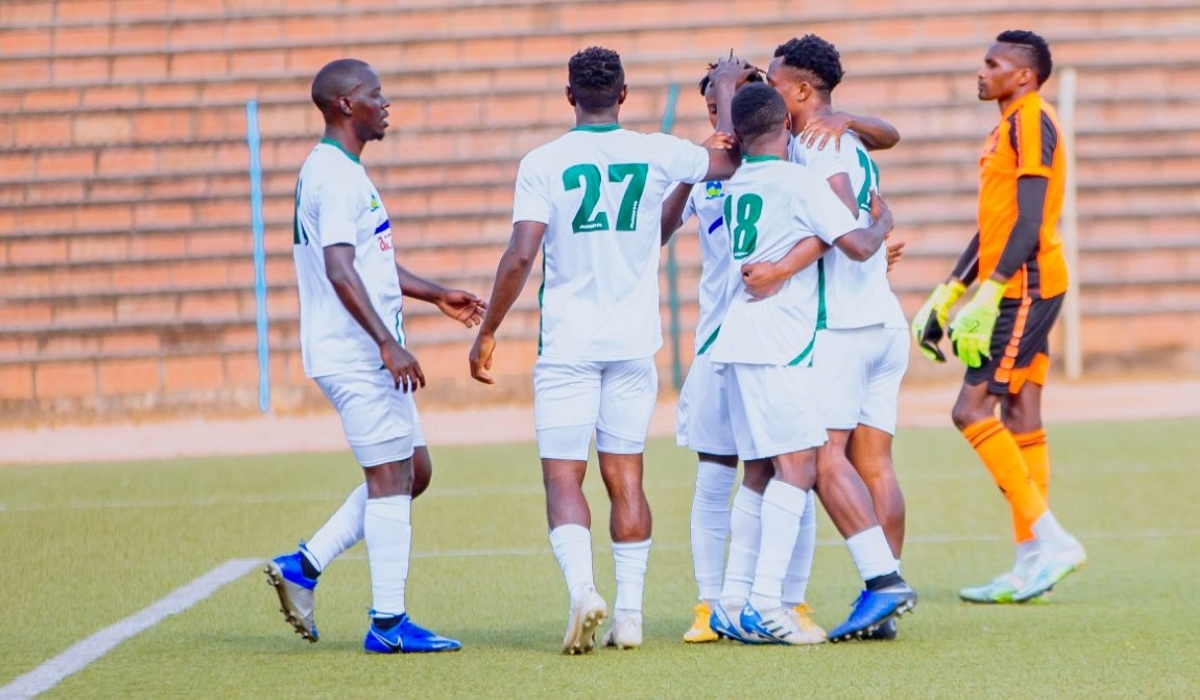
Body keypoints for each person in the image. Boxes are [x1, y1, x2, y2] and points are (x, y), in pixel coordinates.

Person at [469, 46, 746, 654]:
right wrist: (725, 88)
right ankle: (630, 616)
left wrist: (487, 329)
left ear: (569, 96)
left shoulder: (543, 162)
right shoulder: (656, 150)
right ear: (624, 95)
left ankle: (581, 591)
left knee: (564, 476)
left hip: (569, 342)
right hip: (632, 342)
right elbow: (729, 155)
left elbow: (521, 255)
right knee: (626, 476)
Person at [661, 56, 903, 645]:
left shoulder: (731, 179)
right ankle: (776, 603)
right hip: (783, 340)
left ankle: (736, 603)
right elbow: (854, 241)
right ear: (785, 124)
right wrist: (883, 222)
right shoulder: (799, 176)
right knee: (796, 467)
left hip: (742, 338)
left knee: (765, 471)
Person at [265, 58, 484, 654]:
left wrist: (436, 293)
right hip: (356, 353)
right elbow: (338, 269)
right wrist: (387, 343)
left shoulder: (341, 169)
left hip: (358, 349)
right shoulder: (336, 176)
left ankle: (304, 566)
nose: (384, 103)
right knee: (390, 478)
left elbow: (368, 263)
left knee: (414, 471)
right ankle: (388, 623)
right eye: (374, 95)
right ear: (344, 105)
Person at [742, 34, 911, 641]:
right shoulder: (847, 135)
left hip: (842, 325)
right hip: (885, 322)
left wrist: (785, 268)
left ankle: (882, 584)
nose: (769, 88)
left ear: (804, 90)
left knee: (819, 458)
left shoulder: (816, 147)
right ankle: (883, 605)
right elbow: (883, 141)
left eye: (777, 81)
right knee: (875, 463)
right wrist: (878, 226)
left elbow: (842, 224)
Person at [910, 30, 1086, 603]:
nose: (981, 71)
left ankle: (1053, 542)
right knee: (1020, 409)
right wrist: (950, 289)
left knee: (971, 409)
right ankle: (1030, 561)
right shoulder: (1006, 126)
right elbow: (996, 224)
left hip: (1026, 287)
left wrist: (988, 295)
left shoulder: (1032, 120)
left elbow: (1030, 223)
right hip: (1017, 284)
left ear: (1024, 76)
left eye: (993, 64)